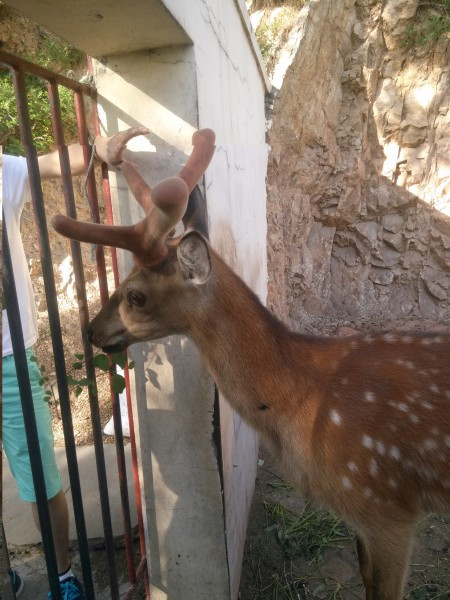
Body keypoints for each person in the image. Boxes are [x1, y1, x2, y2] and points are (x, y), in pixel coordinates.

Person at [1, 126, 149, 599]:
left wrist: (99, 151)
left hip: (8, 361)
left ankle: (63, 578)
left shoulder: (1, 172)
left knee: (40, 479)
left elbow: (51, 162)